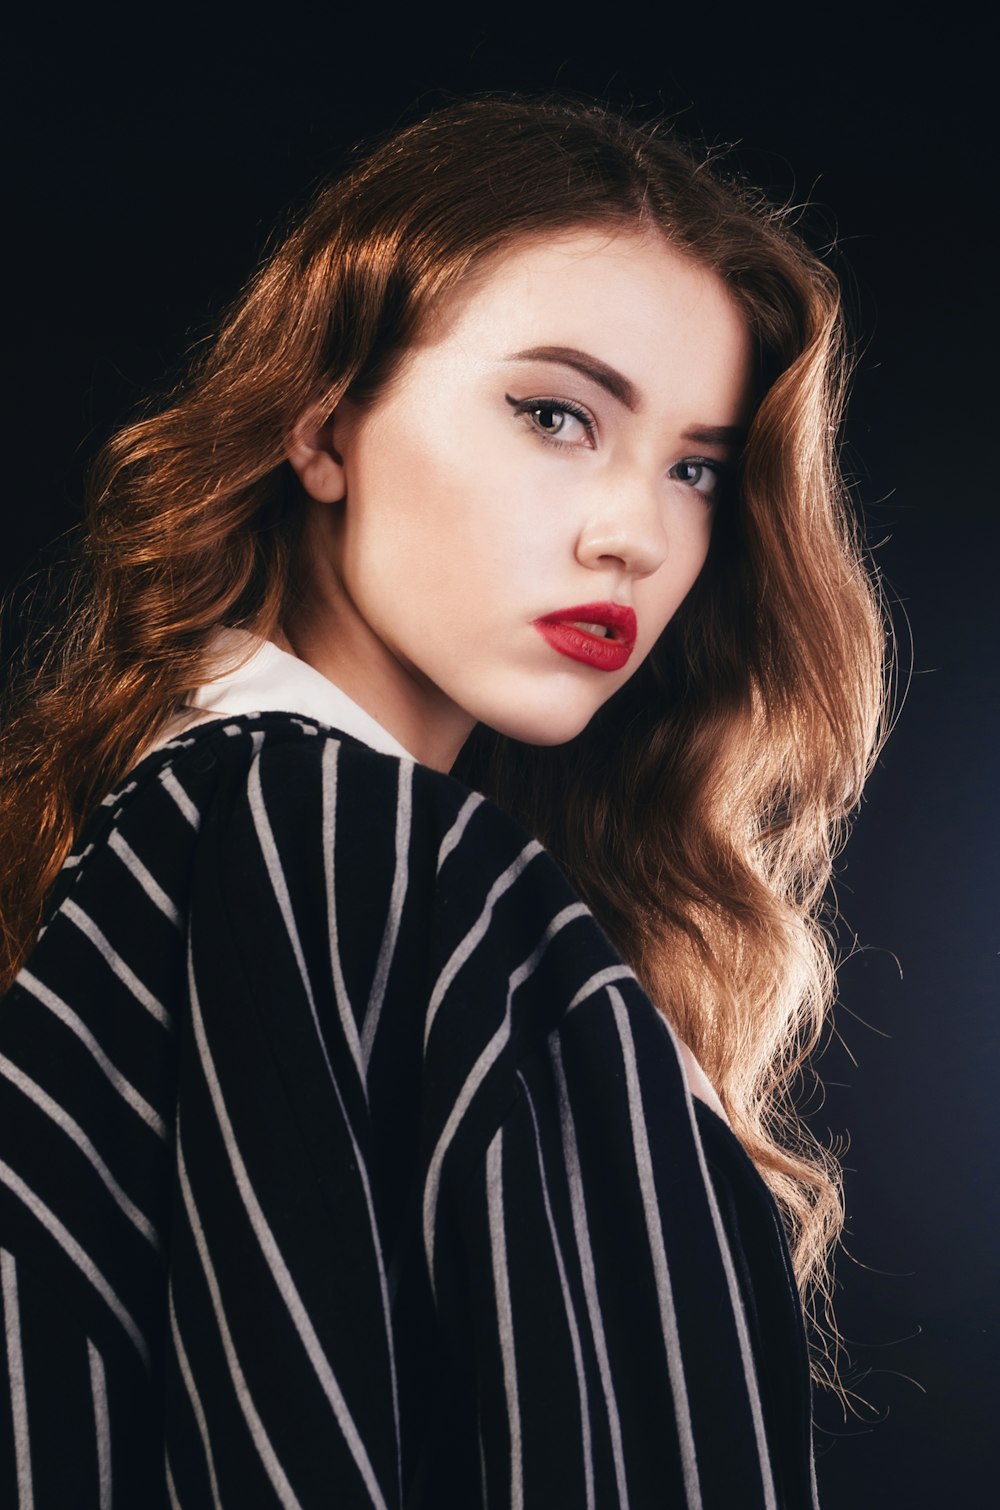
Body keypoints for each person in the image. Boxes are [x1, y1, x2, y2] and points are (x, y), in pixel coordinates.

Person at [0, 95, 886, 1507]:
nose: (636, 533)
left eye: (697, 468)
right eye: (557, 414)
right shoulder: (309, 832)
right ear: (322, 424)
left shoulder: (199, 844)